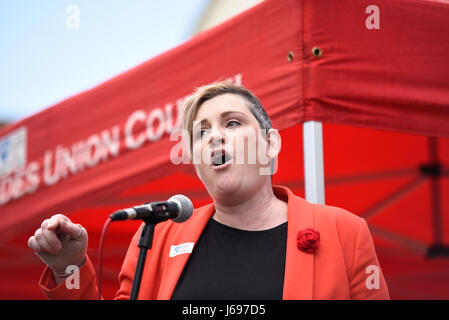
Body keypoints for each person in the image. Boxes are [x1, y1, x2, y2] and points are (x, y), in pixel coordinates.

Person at [28, 81, 390, 299]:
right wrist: (69, 267)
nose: (214, 136)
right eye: (200, 133)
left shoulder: (345, 233)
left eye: (232, 123)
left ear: (270, 144)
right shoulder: (157, 236)